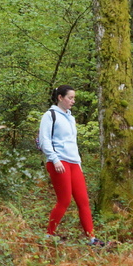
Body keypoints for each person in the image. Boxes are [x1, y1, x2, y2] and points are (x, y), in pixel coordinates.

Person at [38, 85, 102, 245]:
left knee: (83, 201)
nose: (73, 101)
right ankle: (48, 236)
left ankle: (91, 238)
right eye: (70, 98)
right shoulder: (50, 115)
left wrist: (78, 163)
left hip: (74, 162)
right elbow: (44, 140)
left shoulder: (70, 117)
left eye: (74, 98)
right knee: (64, 200)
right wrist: (54, 159)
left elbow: (72, 142)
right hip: (59, 162)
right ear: (60, 98)